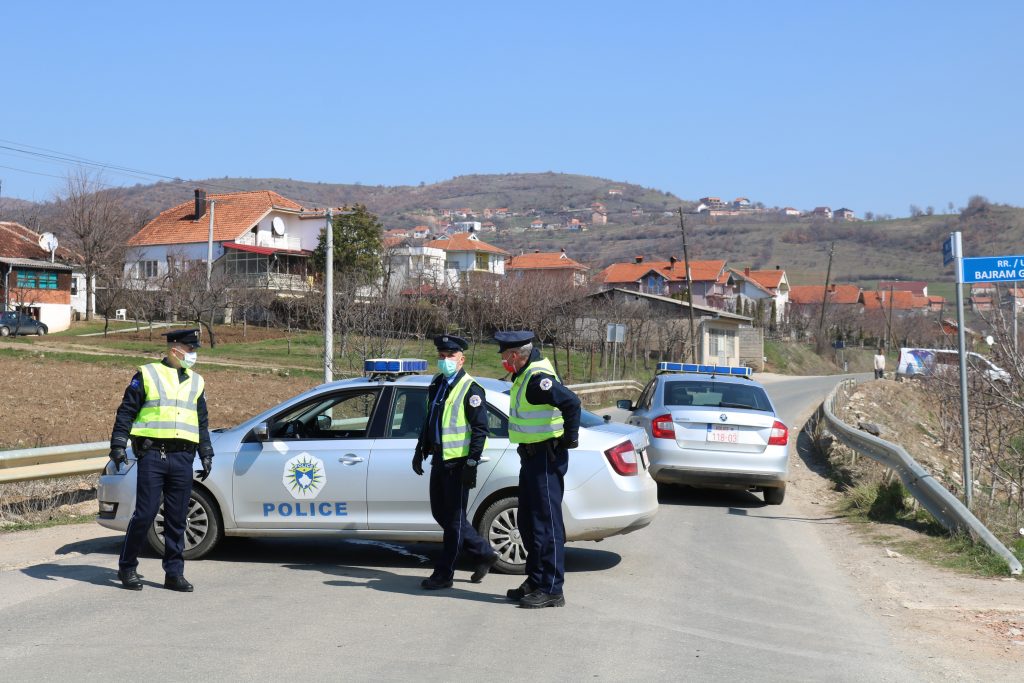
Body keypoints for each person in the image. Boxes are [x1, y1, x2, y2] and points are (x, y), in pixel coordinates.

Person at [108, 329, 214, 592]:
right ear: (174, 348)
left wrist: (206, 452)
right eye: (190, 349)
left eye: (194, 349)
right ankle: (128, 566)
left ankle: (174, 573)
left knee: (177, 518)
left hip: (182, 457)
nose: (193, 354)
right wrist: (118, 445)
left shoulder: (196, 381)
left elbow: (201, 421)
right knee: (145, 514)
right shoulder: (147, 374)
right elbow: (126, 412)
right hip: (153, 454)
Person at [495, 330, 581, 609]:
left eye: (506, 357)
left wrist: (569, 440)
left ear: (517, 355)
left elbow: (572, 403)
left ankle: (552, 588)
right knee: (529, 523)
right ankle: (535, 579)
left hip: (545, 457)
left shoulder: (536, 379)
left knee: (547, 524)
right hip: (531, 457)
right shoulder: (524, 374)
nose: (504, 362)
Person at [412, 334, 498, 589]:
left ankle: (444, 574)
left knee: (454, 519)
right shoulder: (438, 383)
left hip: (459, 463)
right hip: (440, 458)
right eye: (441, 356)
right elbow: (431, 419)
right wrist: (420, 449)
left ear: (462, 359)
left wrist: (471, 464)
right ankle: (483, 552)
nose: (445, 360)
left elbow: (480, 430)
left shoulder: (470, 389)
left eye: (450, 356)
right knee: (441, 513)